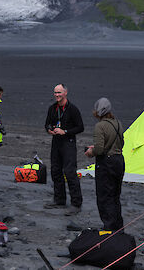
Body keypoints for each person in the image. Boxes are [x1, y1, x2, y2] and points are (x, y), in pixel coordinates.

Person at [84, 97, 125, 231]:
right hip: (119, 161)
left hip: (106, 164)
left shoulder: (100, 126)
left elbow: (100, 149)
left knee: (104, 197)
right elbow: (121, 143)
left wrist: (91, 152)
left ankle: (109, 228)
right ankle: (118, 228)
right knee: (115, 196)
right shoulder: (118, 123)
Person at [44, 83, 84, 215]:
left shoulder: (73, 109)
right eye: (55, 93)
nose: (57, 95)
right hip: (56, 142)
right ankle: (59, 200)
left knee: (70, 172)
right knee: (55, 170)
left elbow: (80, 127)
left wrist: (65, 131)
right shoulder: (52, 108)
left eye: (59, 93)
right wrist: (50, 130)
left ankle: (76, 204)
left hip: (68, 142)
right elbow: (47, 124)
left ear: (65, 93)